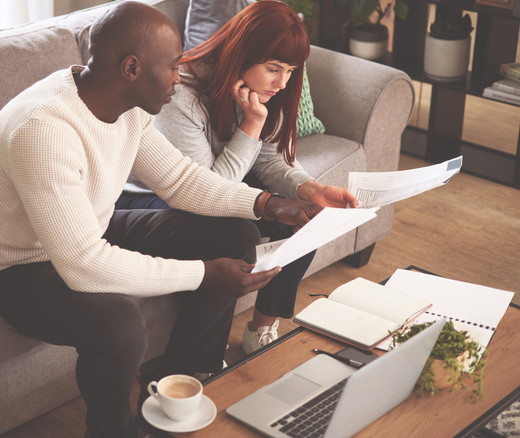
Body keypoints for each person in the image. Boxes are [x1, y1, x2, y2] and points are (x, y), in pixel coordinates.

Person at [0, 2, 323, 437]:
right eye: (173, 66)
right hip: (13, 266)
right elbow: (84, 265)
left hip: (86, 228)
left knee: (234, 233)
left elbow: (181, 182)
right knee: (120, 324)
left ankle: (184, 381)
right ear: (132, 67)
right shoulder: (44, 129)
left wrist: (268, 203)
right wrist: (204, 274)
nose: (179, 77)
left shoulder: (127, 105)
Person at [116, 0, 357, 355]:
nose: (282, 82)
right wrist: (251, 124)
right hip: (149, 197)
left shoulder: (265, 88)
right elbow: (204, 190)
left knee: (306, 215)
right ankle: (195, 362)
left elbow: (270, 160)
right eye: (274, 68)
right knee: (234, 233)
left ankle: (262, 326)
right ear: (240, 52)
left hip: (206, 189)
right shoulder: (181, 93)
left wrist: (312, 188)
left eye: (290, 70)